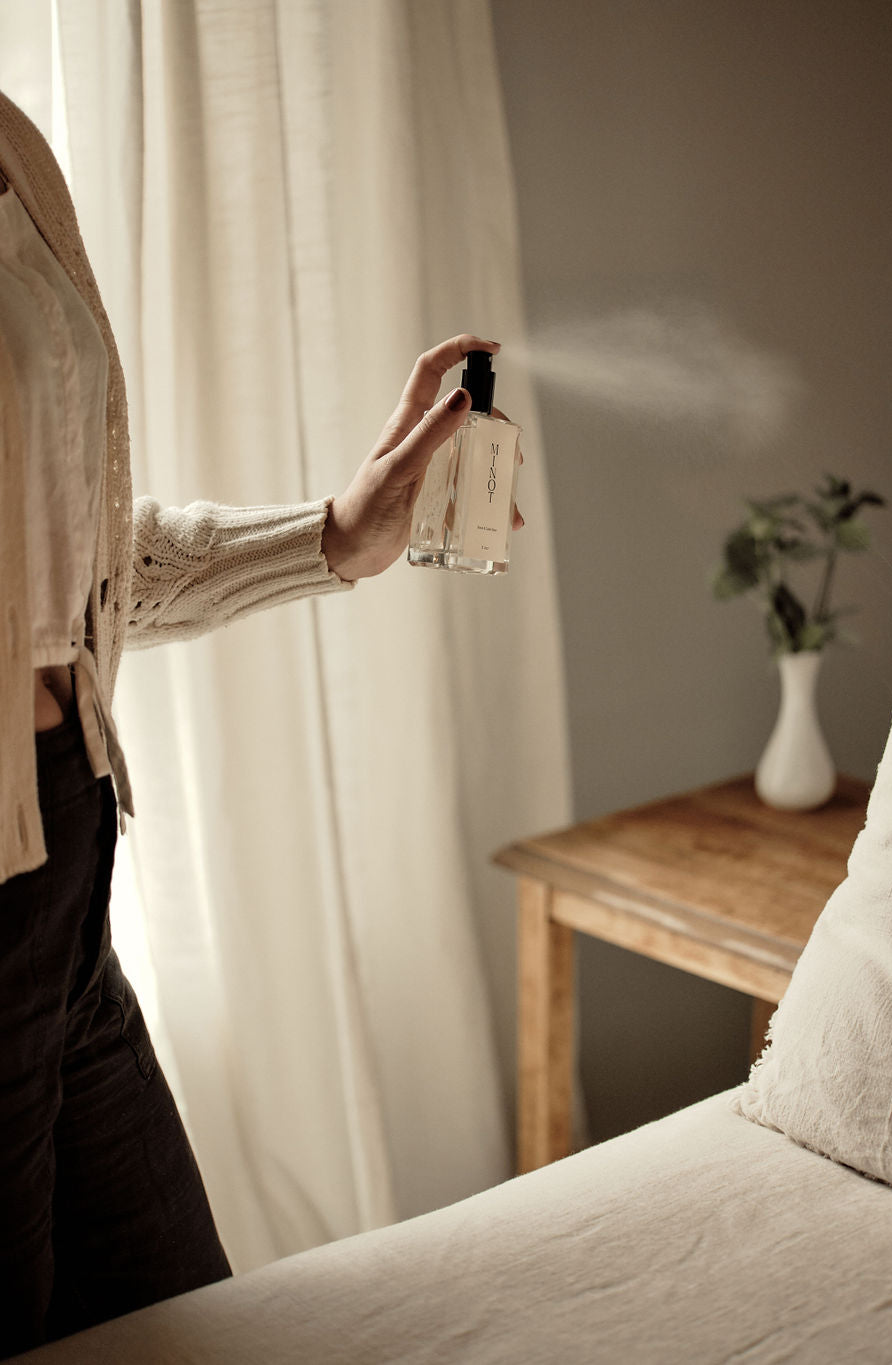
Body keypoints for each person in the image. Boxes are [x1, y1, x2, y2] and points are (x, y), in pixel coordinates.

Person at [0, 88, 519, 1356]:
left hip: (65, 888)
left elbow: (69, 577)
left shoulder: (12, 144)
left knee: (188, 1321)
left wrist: (333, 533)